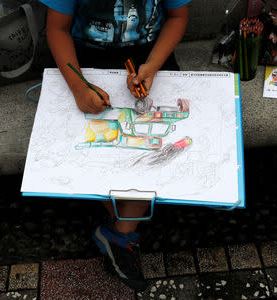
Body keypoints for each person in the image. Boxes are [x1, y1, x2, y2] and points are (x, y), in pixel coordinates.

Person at [39, 0, 190, 291]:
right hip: (82, 61)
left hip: (150, 58)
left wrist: (152, 66)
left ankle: (121, 232)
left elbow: (177, 16)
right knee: (104, 143)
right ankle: (122, 232)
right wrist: (79, 87)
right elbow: (57, 28)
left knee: (150, 150)